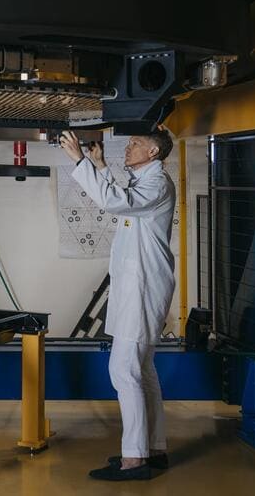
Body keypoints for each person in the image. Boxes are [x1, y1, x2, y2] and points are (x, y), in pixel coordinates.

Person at [59, 129, 176, 482]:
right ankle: (153, 449)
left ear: (153, 152)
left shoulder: (157, 184)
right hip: (139, 286)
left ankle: (134, 459)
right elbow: (124, 197)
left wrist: (80, 160)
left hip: (143, 288)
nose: (128, 147)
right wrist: (100, 167)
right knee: (142, 369)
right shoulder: (146, 182)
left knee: (124, 370)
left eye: (135, 143)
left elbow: (116, 201)